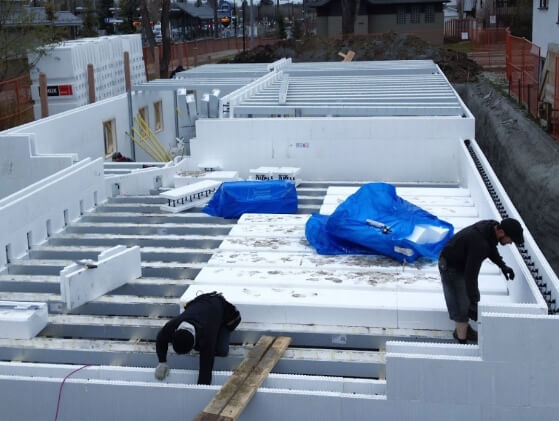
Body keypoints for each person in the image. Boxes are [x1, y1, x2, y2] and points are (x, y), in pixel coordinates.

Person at [438, 218, 524, 344]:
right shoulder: (479, 244)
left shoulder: (491, 226)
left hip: (462, 261)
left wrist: (503, 266)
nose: (511, 243)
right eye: (511, 240)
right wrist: (474, 300)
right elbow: (471, 275)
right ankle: (461, 340)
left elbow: (491, 248)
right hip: (450, 266)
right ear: (501, 233)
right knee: (461, 305)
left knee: (467, 300)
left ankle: (465, 330)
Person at [154, 291, 241, 384]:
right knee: (205, 345)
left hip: (222, 310)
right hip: (201, 303)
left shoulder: (207, 336)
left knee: (222, 351)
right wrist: (162, 362)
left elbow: (206, 368)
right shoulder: (173, 325)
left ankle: (219, 327)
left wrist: (200, 389)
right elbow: (160, 338)